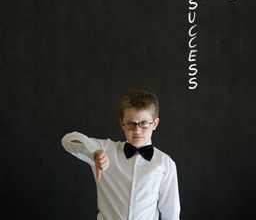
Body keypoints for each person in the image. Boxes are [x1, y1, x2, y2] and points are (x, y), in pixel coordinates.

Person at [61, 90, 181, 219]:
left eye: (144, 123)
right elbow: (67, 140)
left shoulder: (165, 163)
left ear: (155, 123)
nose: (137, 130)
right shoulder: (106, 150)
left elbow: (171, 213)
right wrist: (93, 153)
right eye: (130, 124)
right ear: (122, 124)